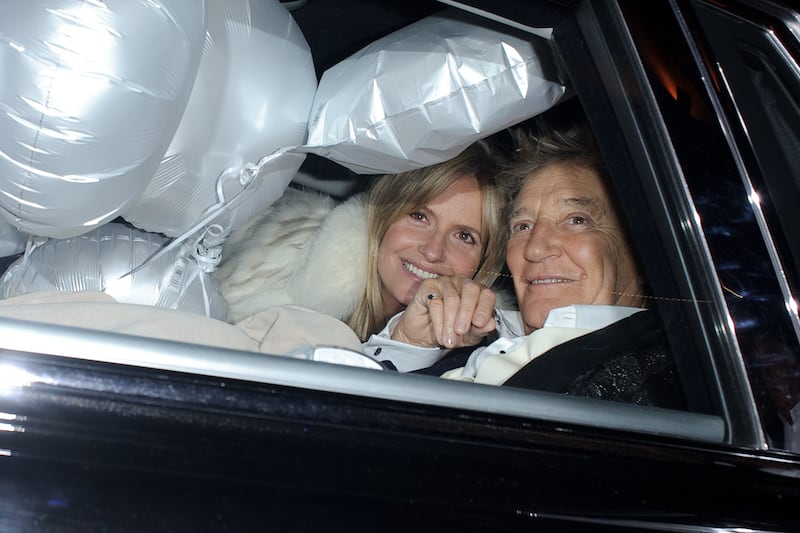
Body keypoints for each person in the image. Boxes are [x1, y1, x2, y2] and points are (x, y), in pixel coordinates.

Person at [363, 105, 686, 408]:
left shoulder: (654, 380)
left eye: (576, 220)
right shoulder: (482, 335)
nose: (534, 248)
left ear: (646, 252)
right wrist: (412, 343)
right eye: (523, 225)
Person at [214, 139, 509, 343]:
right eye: (419, 216)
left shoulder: (481, 343)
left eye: (464, 236)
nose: (433, 251)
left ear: (485, 258)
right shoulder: (287, 262)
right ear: (384, 215)